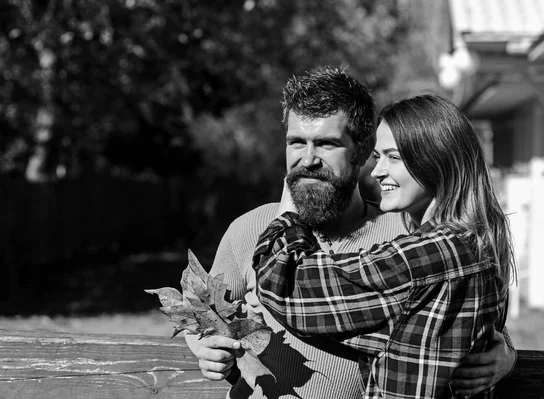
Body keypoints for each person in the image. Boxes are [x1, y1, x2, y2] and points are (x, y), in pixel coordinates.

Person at [185, 68, 516, 399]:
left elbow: (462, 321)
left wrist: (505, 354)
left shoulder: (404, 234)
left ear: (360, 151)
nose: (307, 159)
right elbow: (200, 306)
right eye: (296, 142)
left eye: (327, 143)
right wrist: (205, 345)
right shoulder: (251, 227)